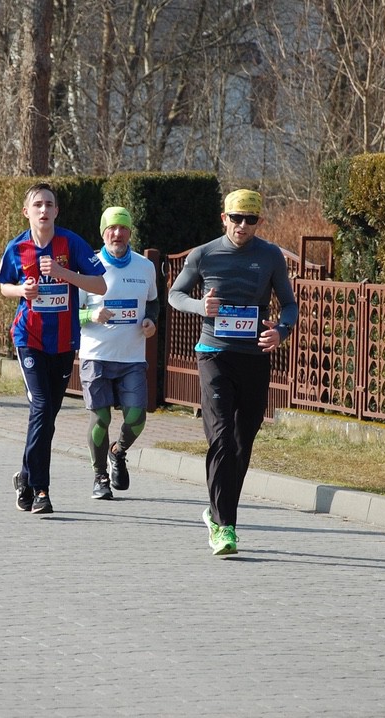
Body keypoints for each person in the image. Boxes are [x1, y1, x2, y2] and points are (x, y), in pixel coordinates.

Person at [167, 189, 298, 555]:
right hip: (214, 355)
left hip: (253, 357)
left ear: (260, 222)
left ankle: (216, 511)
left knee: (241, 443)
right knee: (222, 436)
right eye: (236, 218)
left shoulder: (270, 256)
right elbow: (175, 295)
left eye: (250, 219)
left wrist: (281, 331)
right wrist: (200, 306)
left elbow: (289, 304)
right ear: (224, 218)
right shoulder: (204, 254)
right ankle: (225, 526)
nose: (242, 225)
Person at [0, 183, 106, 515]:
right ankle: (40, 490)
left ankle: (25, 476)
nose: (43, 210)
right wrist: (22, 291)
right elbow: (4, 286)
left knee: (46, 415)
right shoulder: (17, 247)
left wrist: (63, 273)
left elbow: (100, 284)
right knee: (42, 407)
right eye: (37, 205)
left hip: (63, 341)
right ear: (26, 212)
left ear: (57, 211)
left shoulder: (70, 243)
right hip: (29, 338)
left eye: (49, 204)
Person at [78, 207, 159, 500]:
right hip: (96, 355)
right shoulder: (88, 266)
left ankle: (118, 451)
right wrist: (91, 315)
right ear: (103, 233)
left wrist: (150, 320)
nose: (117, 234)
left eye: (123, 228)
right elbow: (70, 312)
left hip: (131, 357)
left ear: (130, 233)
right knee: (101, 419)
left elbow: (153, 303)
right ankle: (100, 477)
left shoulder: (144, 267)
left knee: (137, 418)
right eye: (111, 228)